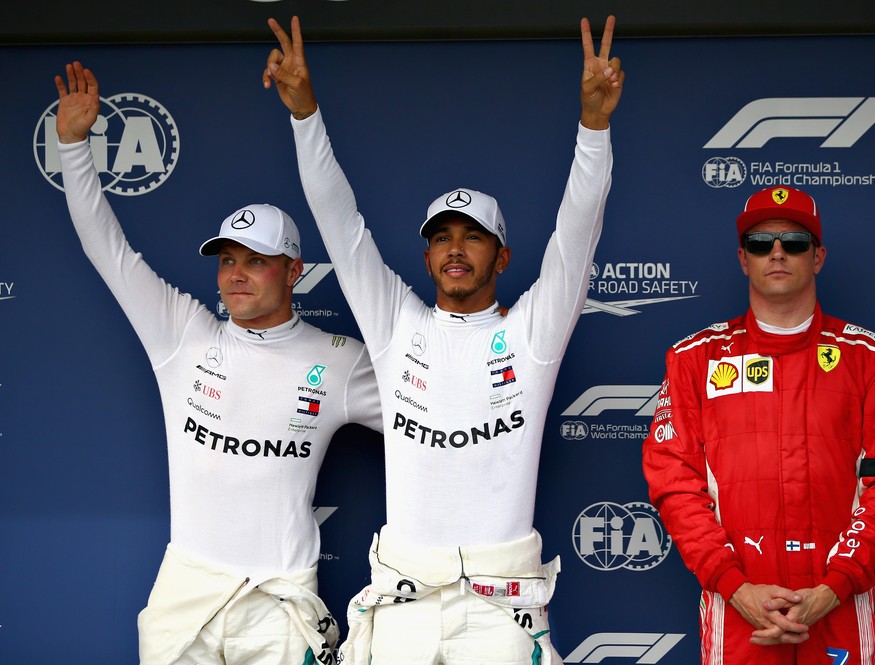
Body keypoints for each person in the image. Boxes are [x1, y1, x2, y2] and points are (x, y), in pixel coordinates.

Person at [260, 14, 624, 664]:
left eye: (472, 236)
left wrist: (593, 127)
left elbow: (577, 233)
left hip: (500, 608)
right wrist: (304, 115)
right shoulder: (397, 323)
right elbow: (338, 224)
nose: (455, 248)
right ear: (427, 259)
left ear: (502, 257)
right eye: (441, 237)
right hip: (405, 601)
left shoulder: (529, 336)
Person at [53, 61, 382, 665]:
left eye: (255, 260)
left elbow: (436, 429)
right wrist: (74, 146)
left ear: (292, 270)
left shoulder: (340, 363)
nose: (235, 273)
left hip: (279, 607)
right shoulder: (182, 331)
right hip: (187, 599)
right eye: (226, 259)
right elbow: (109, 251)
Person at [642, 185, 875, 664]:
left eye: (795, 241)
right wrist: (736, 587)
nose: (777, 253)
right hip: (737, 610)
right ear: (743, 258)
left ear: (817, 257)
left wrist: (833, 589)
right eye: (761, 243)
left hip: (840, 606)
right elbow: (675, 486)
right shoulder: (694, 359)